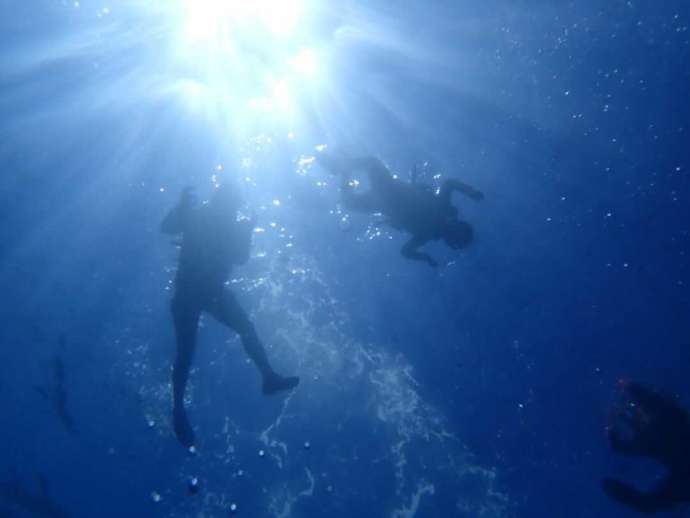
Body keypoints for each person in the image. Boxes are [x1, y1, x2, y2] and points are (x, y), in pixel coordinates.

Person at [161, 184, 299, 448]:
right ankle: (178, 408)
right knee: (186, 352)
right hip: (190, 291)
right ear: (220, 201)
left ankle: (269, 377)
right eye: (230, 203)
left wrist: (246, 231)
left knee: (244, 328)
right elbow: (166, 228)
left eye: (233, 205)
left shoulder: (228, 223)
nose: (231, 209)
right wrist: (181, 209)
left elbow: (241, 258)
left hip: (211, 292)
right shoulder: (199, 214)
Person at [317, 152, 483, 267]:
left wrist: (471, 192)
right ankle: (341, 167)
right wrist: (425, 258)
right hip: (387, 195)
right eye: (456, 231)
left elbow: (449, 184)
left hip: (384, 199)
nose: (451, 229)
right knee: (364, 176)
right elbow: (406, 252)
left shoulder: (428, 231)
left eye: (454, 233)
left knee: (359, 184)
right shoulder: (430, 229)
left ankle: (342, 168)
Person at [602, 380, 690, 514]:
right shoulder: (655, 431)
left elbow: (621, 446)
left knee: (649, 503)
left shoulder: (651, 437)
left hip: (683, 477)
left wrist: (611, 431)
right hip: (682, 476)